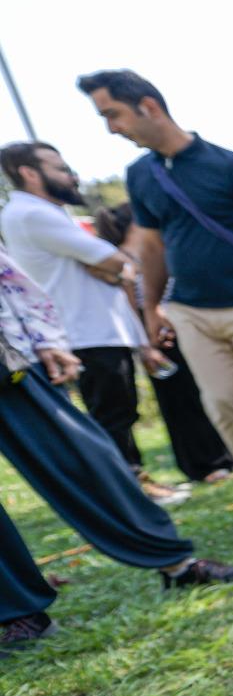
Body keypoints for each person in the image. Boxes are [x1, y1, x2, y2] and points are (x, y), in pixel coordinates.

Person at [78, 69, 233, 518]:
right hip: (191, 311)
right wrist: (153, 307)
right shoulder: (140, 176)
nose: (111, 128)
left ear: (149, 106)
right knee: (223, 404)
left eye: (113, 114)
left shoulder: (228, 165)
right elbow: (153, 246)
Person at [0, 247, 233, 649]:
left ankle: (176, 563)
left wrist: (44, 336)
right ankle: (17, 612)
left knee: (79, 459)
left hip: (9, 356)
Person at [0, 141, 185, 505]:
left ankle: (136, 484)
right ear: (30, 173)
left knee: (119, 411)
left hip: (95, 328)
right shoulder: (31, 214)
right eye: (61, 168)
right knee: (112, 415)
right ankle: (129, 492)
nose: (72, 176)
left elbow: (115, 267)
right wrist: (116, 270)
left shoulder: (43, 213)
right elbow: (117, 262)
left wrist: (115, 270)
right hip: (84, 330)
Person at [91, 203, 233, 484]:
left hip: (184, 330)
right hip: (158, 340)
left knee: (204, 395)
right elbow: (131, 307)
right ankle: (203, 465)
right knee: (179, 404)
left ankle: (225, 456)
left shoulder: (154, 253)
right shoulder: (121, 259)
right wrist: (146, 345)